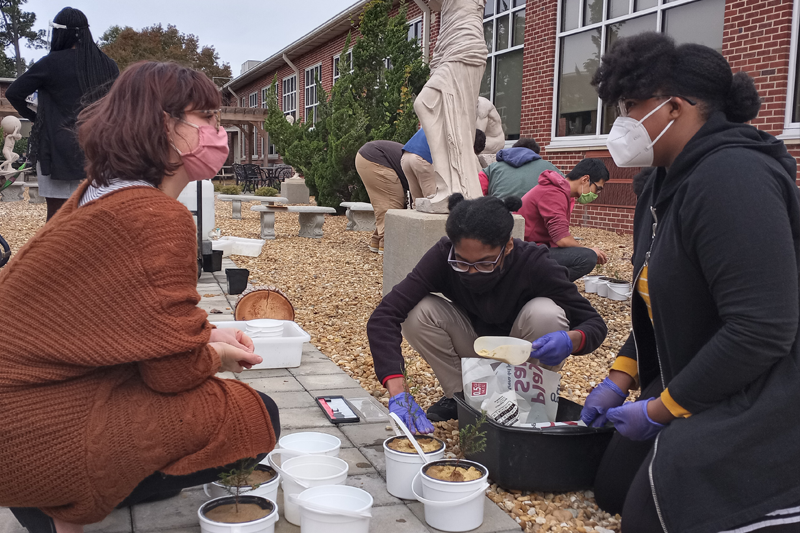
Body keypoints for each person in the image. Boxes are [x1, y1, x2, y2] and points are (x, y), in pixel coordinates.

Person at [0, 62, 280, 533]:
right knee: (253, 415)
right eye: (207, 119)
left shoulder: (99, 193)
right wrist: (215, 355)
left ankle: (49, 489)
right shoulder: (156, 217)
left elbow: (112, 319)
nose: (219, 132)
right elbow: (171, 373)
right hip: (36, 431)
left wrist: (206, 332)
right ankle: (61, 487)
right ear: (166, 127)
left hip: (18, 418)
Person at [581, 32, 800, 533]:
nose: (623, 122)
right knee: (611, 487)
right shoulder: (661, 182)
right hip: (704, 365)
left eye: (631, 106)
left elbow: (762, 330)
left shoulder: (734, 178)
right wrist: (619, 380)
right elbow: (662, 303)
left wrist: (662, 407)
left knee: (656, 512)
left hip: (768, 385)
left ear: (675, 107)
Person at [367, 194, 607, 426]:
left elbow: (593, 323)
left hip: (523, 350)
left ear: (508, 246)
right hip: (473, 344)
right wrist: (398, 391)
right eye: (462, 262)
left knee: (546, 313)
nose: (471, 271)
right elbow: (385, 315)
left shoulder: (534, 263)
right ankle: (462, 397)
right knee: (418, 310)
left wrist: (571, 340)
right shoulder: (443, 256)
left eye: (485, 263)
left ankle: (527, 400)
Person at [6, 7, 119, 222]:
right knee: (95, 214)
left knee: (58, 218)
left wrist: (36, 119)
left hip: (56, 148)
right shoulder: (108, 66)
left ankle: (57, 255)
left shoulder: (52, 63)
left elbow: (14, 92)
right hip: (98, 149)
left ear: (60, 33)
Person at [518, 158, 609, 282]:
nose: (596, 194)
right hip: (526, 252)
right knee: (587, 257)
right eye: (597, 189)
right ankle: (540, 287)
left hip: (533, 248)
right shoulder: (553, 193)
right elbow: (562, 239)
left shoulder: (562, 192)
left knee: (582, 254)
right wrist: (588, 250)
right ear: (585, 179)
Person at [401, 127, 486, 204]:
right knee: (433, 202)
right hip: (422, 160)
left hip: (406, 157)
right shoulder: (459, 137)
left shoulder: (451, 124)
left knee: (418, 202)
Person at [355, 140, 411, 254]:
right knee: (391, 205)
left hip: (368, 156)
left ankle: (376, 241)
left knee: (386, 203)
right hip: (376, 158)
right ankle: (388, 244)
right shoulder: (427, 169)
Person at [478, 138, 562, 198]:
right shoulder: (550, 169)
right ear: (535, 154)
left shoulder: (491, 169)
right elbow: (568, 190)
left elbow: (476, 192)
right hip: (536, 220)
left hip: (499, 218)